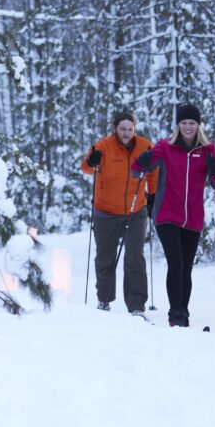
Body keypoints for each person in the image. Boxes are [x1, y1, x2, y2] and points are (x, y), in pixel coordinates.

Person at [132, 103, 215, 327]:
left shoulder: (207, 151)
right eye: (183, 123)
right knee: (175, 262)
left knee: (186, 268)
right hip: (167, 214)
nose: (187, 127)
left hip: (192, 218)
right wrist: (143, 162)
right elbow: (137, 171)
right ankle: (175, 316)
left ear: (198, 125)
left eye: (191, 123)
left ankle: (183, 313)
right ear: (178, 125)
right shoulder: (166, 147)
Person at [81, 111, 157, 315]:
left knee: (135, 256)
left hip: (136, 209)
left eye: (129, 129)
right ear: (115, 128)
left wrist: (153, 196)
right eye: (122, 129)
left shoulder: (145, 146)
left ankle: (137, 305)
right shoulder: (103, 146)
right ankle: (104, 300)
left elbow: (154, 170)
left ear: (134, 129)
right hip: (106, 211)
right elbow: (86, 167)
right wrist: (91, 161)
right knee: (105, 257)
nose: (126, 133)